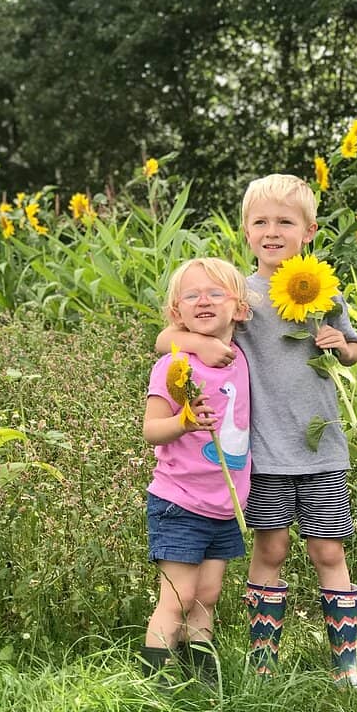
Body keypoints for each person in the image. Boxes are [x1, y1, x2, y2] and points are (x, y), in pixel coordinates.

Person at [156, 174, 357, 687]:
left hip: (320, 449)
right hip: (262, 456)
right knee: (269, 550)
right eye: (261, 222)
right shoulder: (238, 295)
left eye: (285, 222)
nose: (272, 231)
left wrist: (341, 344)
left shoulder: (321, 292)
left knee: (329, 552)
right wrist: (200, 347)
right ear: (247, 232)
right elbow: (168, 335)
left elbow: (356, 348)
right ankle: (263, 664)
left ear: (309, 231)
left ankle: (347, 668)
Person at [140, 257, 253, 685]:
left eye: (215, 293)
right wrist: (184, 422)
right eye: (191, 295)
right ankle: (154, 685)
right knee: (178, 596)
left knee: (206, 598)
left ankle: (203, 685)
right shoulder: (173, 365)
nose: (203, 300)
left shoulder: (240, 356)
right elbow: (152, 429)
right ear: (176, 314)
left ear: (239, 308)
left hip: (224, 506)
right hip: (179, 503)